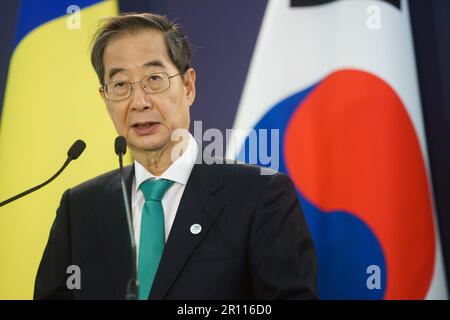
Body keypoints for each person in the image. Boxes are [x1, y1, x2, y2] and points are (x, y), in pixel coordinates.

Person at [34, 12, 317, 300]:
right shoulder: (80, 208)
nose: (139, 102)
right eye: (120, 85)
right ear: (105, 99)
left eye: (154, 79)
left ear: (188, 86)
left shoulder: (259, 196)